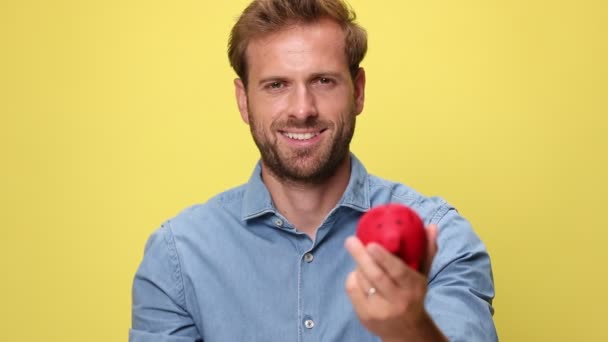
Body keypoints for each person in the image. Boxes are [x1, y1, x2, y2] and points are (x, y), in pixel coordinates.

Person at [130, 0, 497, 341]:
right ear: (243, 101)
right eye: (276, 85)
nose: (302, 109)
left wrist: (413, 331)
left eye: (323, 81)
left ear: (358, 91)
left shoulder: (441, 237)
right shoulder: (178, 257)